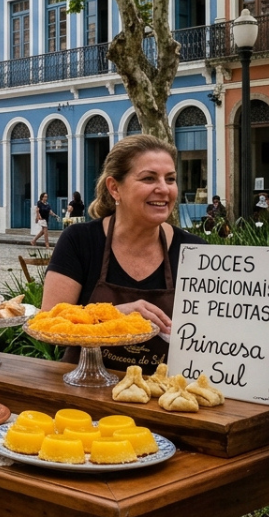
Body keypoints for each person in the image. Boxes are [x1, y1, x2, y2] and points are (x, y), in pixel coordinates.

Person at [42, 135, 204, 370]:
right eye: (149, 178)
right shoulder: (79, 240)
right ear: (115, 188)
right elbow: (48, 324)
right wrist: (115, 314)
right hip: (83, 393)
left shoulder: (195, 251)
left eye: (170, 179)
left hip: (164, 399)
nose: (163, 189)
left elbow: (219, 333)